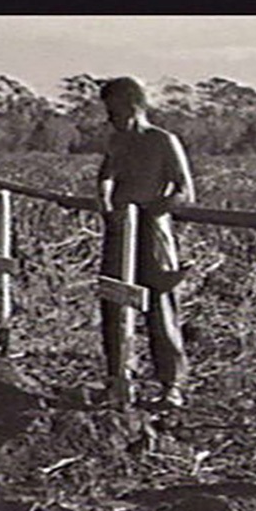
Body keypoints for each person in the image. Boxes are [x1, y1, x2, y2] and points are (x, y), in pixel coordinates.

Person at [59, 77, 193, 407]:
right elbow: (106, 174)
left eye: (116, 110)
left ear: (134, 106)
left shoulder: (163, 141)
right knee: (114, 304)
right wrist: (106, 200)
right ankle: (119, 378)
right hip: (119, 232)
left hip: (153, 235)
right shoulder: (117, 141)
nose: (111, 118)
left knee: (161, 309)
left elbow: (184, 191)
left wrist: (149, 212)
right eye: (108, 111)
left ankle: (170, 386)